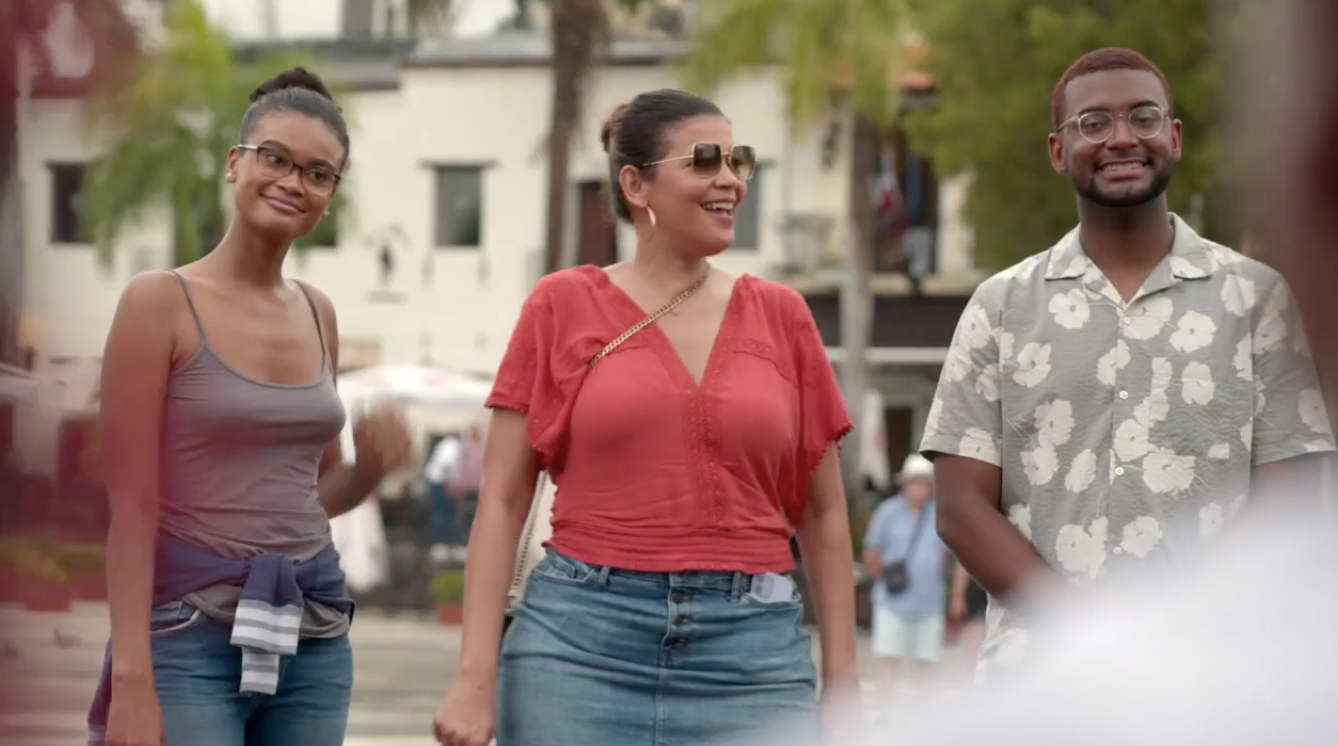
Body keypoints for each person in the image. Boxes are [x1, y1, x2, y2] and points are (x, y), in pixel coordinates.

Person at [432, 88, 858, 746]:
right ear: (637, 184)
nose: (731, 180)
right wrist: (474, 678)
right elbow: (503, 499)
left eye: (737, 160)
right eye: (704, 160)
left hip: (752, 658)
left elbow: (825, 516)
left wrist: (844, 686)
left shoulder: (784, 316)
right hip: (577, 647)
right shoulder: (560, 306)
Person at [921, 47, 1336, 683]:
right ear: (1059, 150)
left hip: (1219, 680)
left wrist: (1189, 633)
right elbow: (960, 508)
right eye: (1093, 123)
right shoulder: (1000, 306)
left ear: (1173, 137)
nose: (1121, 138)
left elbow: (1291, 505)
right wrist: (1089, 636)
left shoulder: (1258, 301)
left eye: (1143, 118)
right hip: (1041, 680)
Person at [90, 67, 412, 746]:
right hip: (187, 635)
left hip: (315, 633)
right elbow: (130, 506)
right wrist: (134, 684)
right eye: (276, 159)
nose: (294, 182)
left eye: (319, 173)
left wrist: (370, 470)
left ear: (331, 194)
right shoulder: (159, 303)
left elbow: (314, 492)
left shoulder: (318, 311)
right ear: (236, 164)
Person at [862, 454, 949, 697]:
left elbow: (947, 556)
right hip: (892, 600)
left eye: (924, 481)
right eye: (915, 481)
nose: (920, 486)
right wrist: (886, 579)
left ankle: (923, 718)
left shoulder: (939, 514)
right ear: (906, 483)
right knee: (888, 658)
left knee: (926, 661)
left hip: (929, 602)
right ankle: (886, 712)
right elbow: (872, 552)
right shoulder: (887, 512)